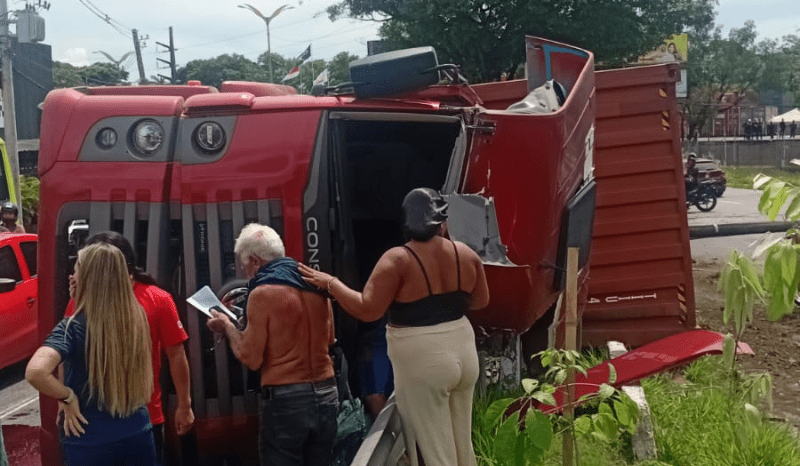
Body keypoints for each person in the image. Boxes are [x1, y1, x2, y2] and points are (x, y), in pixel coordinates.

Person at [300, 187, 490, 466]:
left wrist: (331, 284)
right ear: (443, 222)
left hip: (425, 359)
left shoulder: (398, 259)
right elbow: (481, 301)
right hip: (463, 350)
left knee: (436, 451)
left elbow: (367, 310)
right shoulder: (466, 254)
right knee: (462, 445)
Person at [207, 223, 338, 466]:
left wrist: (227, 325)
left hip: (286, 401)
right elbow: (329, 339)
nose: (245, 272)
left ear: (255, 261)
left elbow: (251, 357)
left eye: (245, 265)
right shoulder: (316, 284)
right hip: (327, 393)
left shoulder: (262, 293)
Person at [63, 231, 194, 464]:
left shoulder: (157, 299)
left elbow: (176, 355)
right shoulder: (80, 301)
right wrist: (63, 401)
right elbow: (65, 356)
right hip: (92, 420)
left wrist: (185, 405)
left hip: (143, 418)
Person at [25, 243, 156, 466]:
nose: (70, 276)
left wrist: (67, 396)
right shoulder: (136, 319)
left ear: (87, 278)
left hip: (89, 441)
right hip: (138, 433)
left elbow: (36, 371)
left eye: (76, 269)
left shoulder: (72, 327)